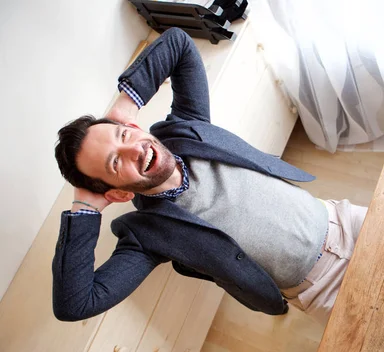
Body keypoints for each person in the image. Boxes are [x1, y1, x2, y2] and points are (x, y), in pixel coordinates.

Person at [52, 27, 367, 326]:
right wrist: (86, 207)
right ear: (118, 194)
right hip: (320, 290)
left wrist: (125, 106)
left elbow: (178, 43)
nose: (134, 149)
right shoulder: (147, 236)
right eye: (115, 163)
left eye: (124, 135)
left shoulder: (188, 126)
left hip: (342, 219)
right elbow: (75, 304)